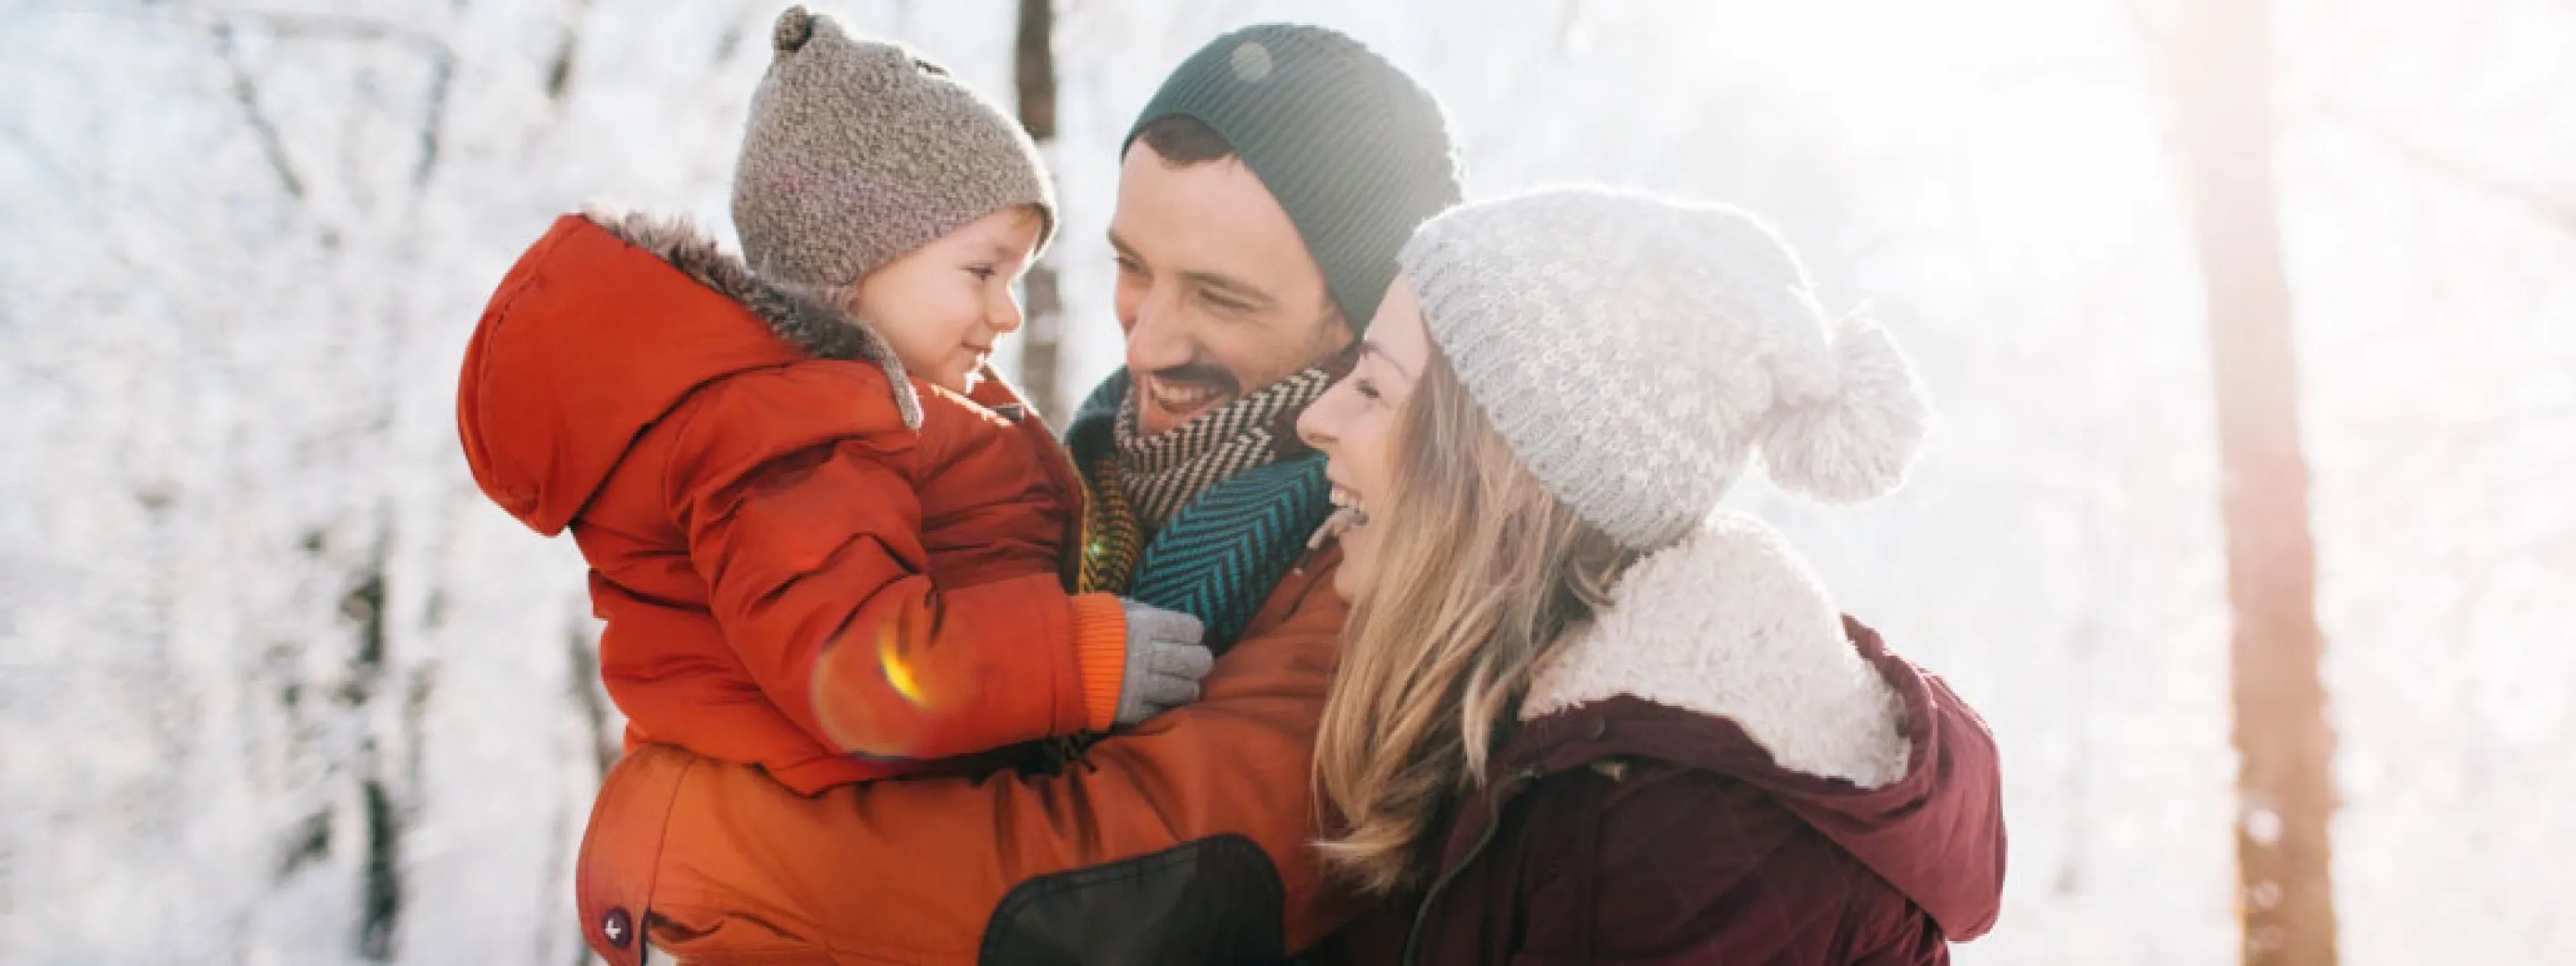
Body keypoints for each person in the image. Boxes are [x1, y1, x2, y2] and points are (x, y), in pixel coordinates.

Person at [549, 21, 1468, 966]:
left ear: (1370, 319)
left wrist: (690, 841)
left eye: (1222, 297)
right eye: (1132, 267)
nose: (1147, 342)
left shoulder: (1386, 564)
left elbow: (1126, 901)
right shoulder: (1077, 479)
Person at [459, 6, 1215, 804]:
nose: (1008, 314)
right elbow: (855, 665)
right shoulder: (791, 439)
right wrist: (1076, 658)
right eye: (982, 272)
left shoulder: (864, 415)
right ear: (854, 261)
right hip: (832, 826)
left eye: (1017, 280)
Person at [1295, 186, 2007, 963]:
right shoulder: (1523, 737)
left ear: (1504, 476)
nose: (1314, 419)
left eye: (1373, 387)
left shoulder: (1690, 842)